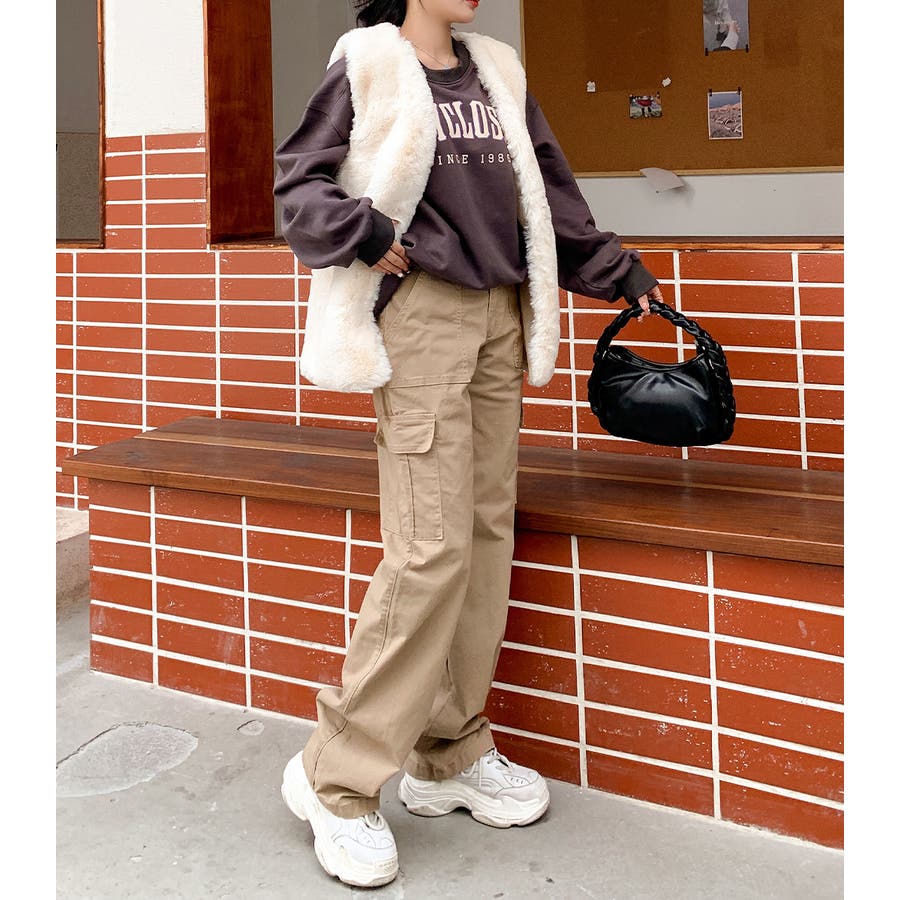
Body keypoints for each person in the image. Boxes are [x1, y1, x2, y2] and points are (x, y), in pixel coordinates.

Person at [273, 0, 663, 888]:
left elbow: (547, 195)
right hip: (422, 320)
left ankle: (447, 753)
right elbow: (300, 185)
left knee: (485, 539)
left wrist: (616, 272)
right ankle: (336, 777)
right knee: (429, 548)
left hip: (500, 318)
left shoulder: (497, 69)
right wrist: (368, 232)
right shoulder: (368, 62)